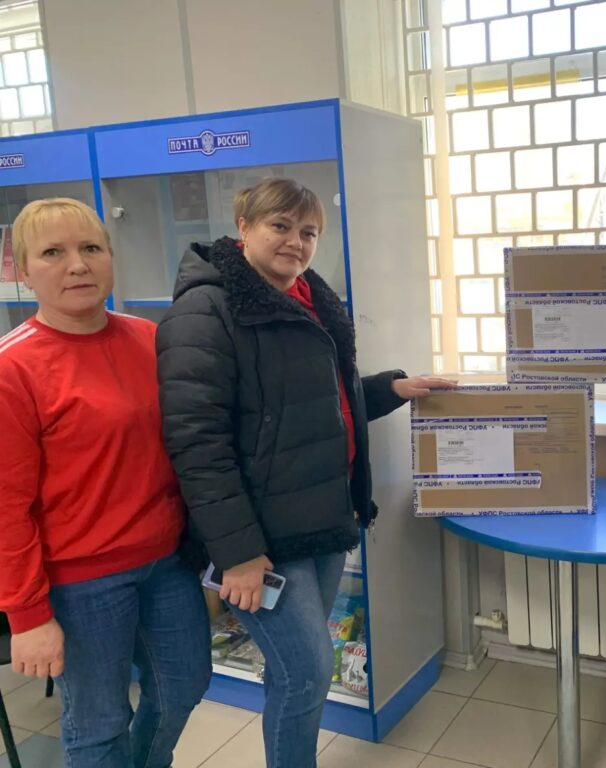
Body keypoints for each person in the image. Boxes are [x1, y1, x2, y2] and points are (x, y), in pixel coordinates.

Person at [156, 177, 453, 768]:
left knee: (295, 674)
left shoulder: (310, 298)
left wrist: (390, 388)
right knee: (308, 672)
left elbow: (315, 405)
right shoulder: (207, 310)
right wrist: (239, 553)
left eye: (309, 232)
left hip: (322, 519)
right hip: (262, 539)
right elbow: (196, 443)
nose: (296, 241)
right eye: (280, 226)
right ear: (244, 227)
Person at [0, 198, 211, 767]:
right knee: (98, 725)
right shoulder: (12, 368)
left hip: (166, 562)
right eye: (53, 252)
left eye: (91, 248)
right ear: (24, 272)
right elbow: (6, 508)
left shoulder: (150, 339)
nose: (77, 265)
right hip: (79, 582)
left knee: (184, 685)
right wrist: (27, 616)